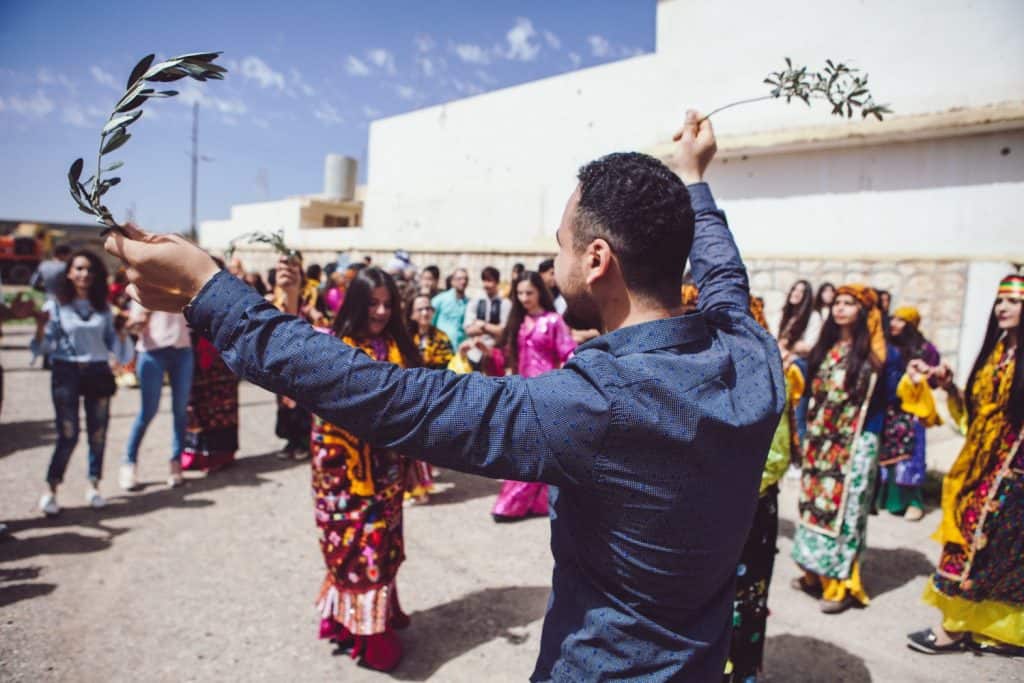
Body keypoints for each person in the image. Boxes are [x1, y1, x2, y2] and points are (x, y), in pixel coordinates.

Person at [106, 111, 785, 681]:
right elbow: (725, 272)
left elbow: (394, 399)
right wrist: (695, 180)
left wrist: (212, 292)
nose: (554, 265)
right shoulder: (750, 353)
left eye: (560, 248)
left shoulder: (596, 406)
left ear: (597, 259)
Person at [303, 265, 421, 672]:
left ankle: (369, 626)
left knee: (379, 552)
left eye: (388, 304)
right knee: (351, 553)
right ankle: (363, 634)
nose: (382, 312)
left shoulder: (400, 349)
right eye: (373, 303)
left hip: (387, 475)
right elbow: (321, 416)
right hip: (343, 476)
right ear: (356, 303)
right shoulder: (335, 348)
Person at [907, 273, 1023, 656]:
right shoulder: (997, 350)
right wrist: (948, 386)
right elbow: (973, 415)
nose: (1003, 308)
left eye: (1014, 301)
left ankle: (956, 630)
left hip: (1012, 470)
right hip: (979, 464)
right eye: (1000, 300)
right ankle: (973, 627)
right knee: (973, 543)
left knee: (987, 548)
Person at [790, 284, 902, 614]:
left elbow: (895, 396)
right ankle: (814, 574)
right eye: (837, 302)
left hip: (856, 444)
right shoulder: (824, 349)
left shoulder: (881, 355)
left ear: (864, 311)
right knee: (815, 507)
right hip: (822, 444)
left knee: (847, 513)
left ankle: (840, 586)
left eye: (849, 303)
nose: (840, 308)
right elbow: (805, 388)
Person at [32, 250, 131, 514]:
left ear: (96, 275)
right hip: (66, 371)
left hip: (98, 371)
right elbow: (44, 347)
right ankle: (51, 489)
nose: (84, 274)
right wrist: (41, 327)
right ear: (68, 273)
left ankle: (94, 486)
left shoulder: (104, 307)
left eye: (89, 269)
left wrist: (123, 333)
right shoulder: (55, 305)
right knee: (68, 434)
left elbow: (117, 348)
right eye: (78, 268)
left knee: (98, 434)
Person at [491, 271, 575, 522]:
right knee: (527, 448)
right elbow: (506, 356)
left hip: (547, 393)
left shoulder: (553, 321)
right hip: (522, 392)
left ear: (540, 292)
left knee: (530, 449)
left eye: (529, 292)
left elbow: (568, 353)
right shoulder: (519, 321)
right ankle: (537, 502)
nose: (524, 297)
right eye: (520, 293)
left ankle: (511, 504)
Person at [121, 298, 194, 489]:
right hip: (152, 352)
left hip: (182, 350)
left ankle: (175, 462)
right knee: (148, 411)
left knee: (180, 410)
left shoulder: (179, 284)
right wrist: (143, 317)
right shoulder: (143, 287)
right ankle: (129, 462)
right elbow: (133, 328)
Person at [878, 306, 942, 521]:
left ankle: (913, 502)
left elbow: (935, 381)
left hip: (912, 411)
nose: (894, 324)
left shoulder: (926, 349)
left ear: (911, 325)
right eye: (893, 319)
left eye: (901, 320)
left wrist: (925, 372)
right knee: (887, 453)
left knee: (911, 456)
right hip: (889, 408)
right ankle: (887, 499)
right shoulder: (885, 346)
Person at [180, 260, 240, 474]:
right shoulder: (184, 295)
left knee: (224, 408)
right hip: (196, 359)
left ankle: (222, 454)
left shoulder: (231, 297)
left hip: (223, 362)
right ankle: (197, 455)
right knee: (196, 406)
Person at [271, 253, 323, 460]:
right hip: (281, 356)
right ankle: (291, 440)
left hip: (304, 353)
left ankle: (303, 441)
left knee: (302, 401)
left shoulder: (312, 291)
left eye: (291, 264)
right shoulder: (276, 292)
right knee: (283, 402)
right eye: (282, 264)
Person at [406, 293, 455, 502]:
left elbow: (446, 366)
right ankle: (415, 487)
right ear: (411, 313)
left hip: (432, 395)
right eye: (420, 309)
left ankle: (421, 484)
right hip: (407, 396)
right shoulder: (405, 336)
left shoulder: (441, 337)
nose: (425, 313)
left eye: (428, 308)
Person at [776, 279, 822, 360]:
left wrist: (788, 345)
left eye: (801, 292)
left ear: (807, 297)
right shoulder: (784, 314)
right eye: (794, 289)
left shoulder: (813, 316)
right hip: (779, 357)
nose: (796, 294)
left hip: (797, 361)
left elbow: (808, 347)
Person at [431, 267, 469, 348]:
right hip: (440, 347)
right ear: (452, 282)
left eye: (465, 279)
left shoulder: (469, 303)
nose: (463, 282)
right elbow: (431, 322)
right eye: (459, 279)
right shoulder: (440, 300)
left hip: (460, 349)